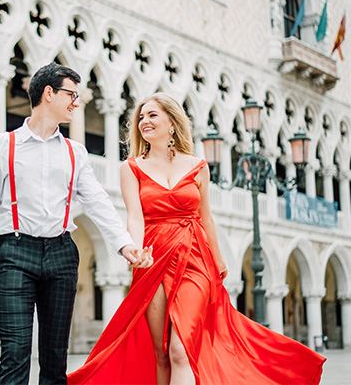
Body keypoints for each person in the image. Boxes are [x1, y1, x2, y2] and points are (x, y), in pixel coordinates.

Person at [68, 93, 326, 384]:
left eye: (152, 115)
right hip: (153, 260)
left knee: (180, 348)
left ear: (172, 121)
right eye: (141, 117)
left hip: (195, 259)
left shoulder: (197, 166)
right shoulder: (131, 168)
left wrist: (218, 259)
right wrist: (137, 250)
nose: (144, 121)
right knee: (160, 352)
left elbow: (206, 218)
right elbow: (135, 217)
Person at [0, 62, 152, 385]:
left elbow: (98, 201)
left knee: (54, 359)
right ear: (48, 93)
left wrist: (125, 243)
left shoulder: (76, 153)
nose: (76, 103)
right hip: (15, 253)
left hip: (62, 254)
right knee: (15, 355)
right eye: (71, 95)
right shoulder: (4, 146)